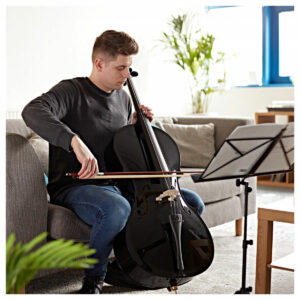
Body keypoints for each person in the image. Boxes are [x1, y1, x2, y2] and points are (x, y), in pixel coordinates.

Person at [22, 30, 205, 294]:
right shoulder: (71, 91)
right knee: (117, 208)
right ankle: (94, 278)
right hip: (78, 185)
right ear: (99, 63)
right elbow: (32, 111)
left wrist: (136, 127)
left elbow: (119, 145)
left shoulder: (123, 98)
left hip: (121, 183)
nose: (127, 75)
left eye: (129, 68)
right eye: (121, 68)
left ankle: (144, 264)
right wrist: (74, 141)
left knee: (191, 202)